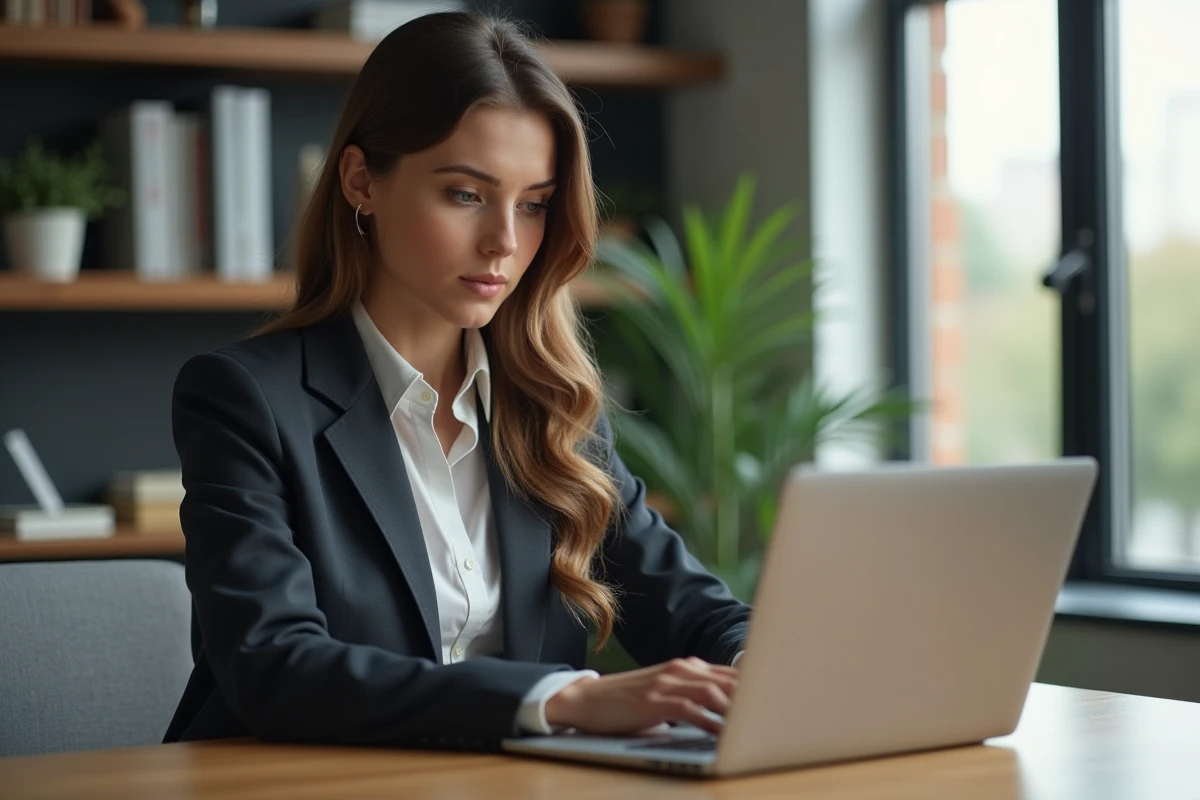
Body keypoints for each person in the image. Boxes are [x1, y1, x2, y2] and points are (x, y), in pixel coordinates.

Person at [163, 11, 750, 750]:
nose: (506, 241)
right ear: (360, 181)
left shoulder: (552, 408)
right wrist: (562, 701)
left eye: (534, 204)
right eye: (466, 194)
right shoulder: (246, 400)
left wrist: (756, 664)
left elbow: (698, 610)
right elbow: (274, 667)